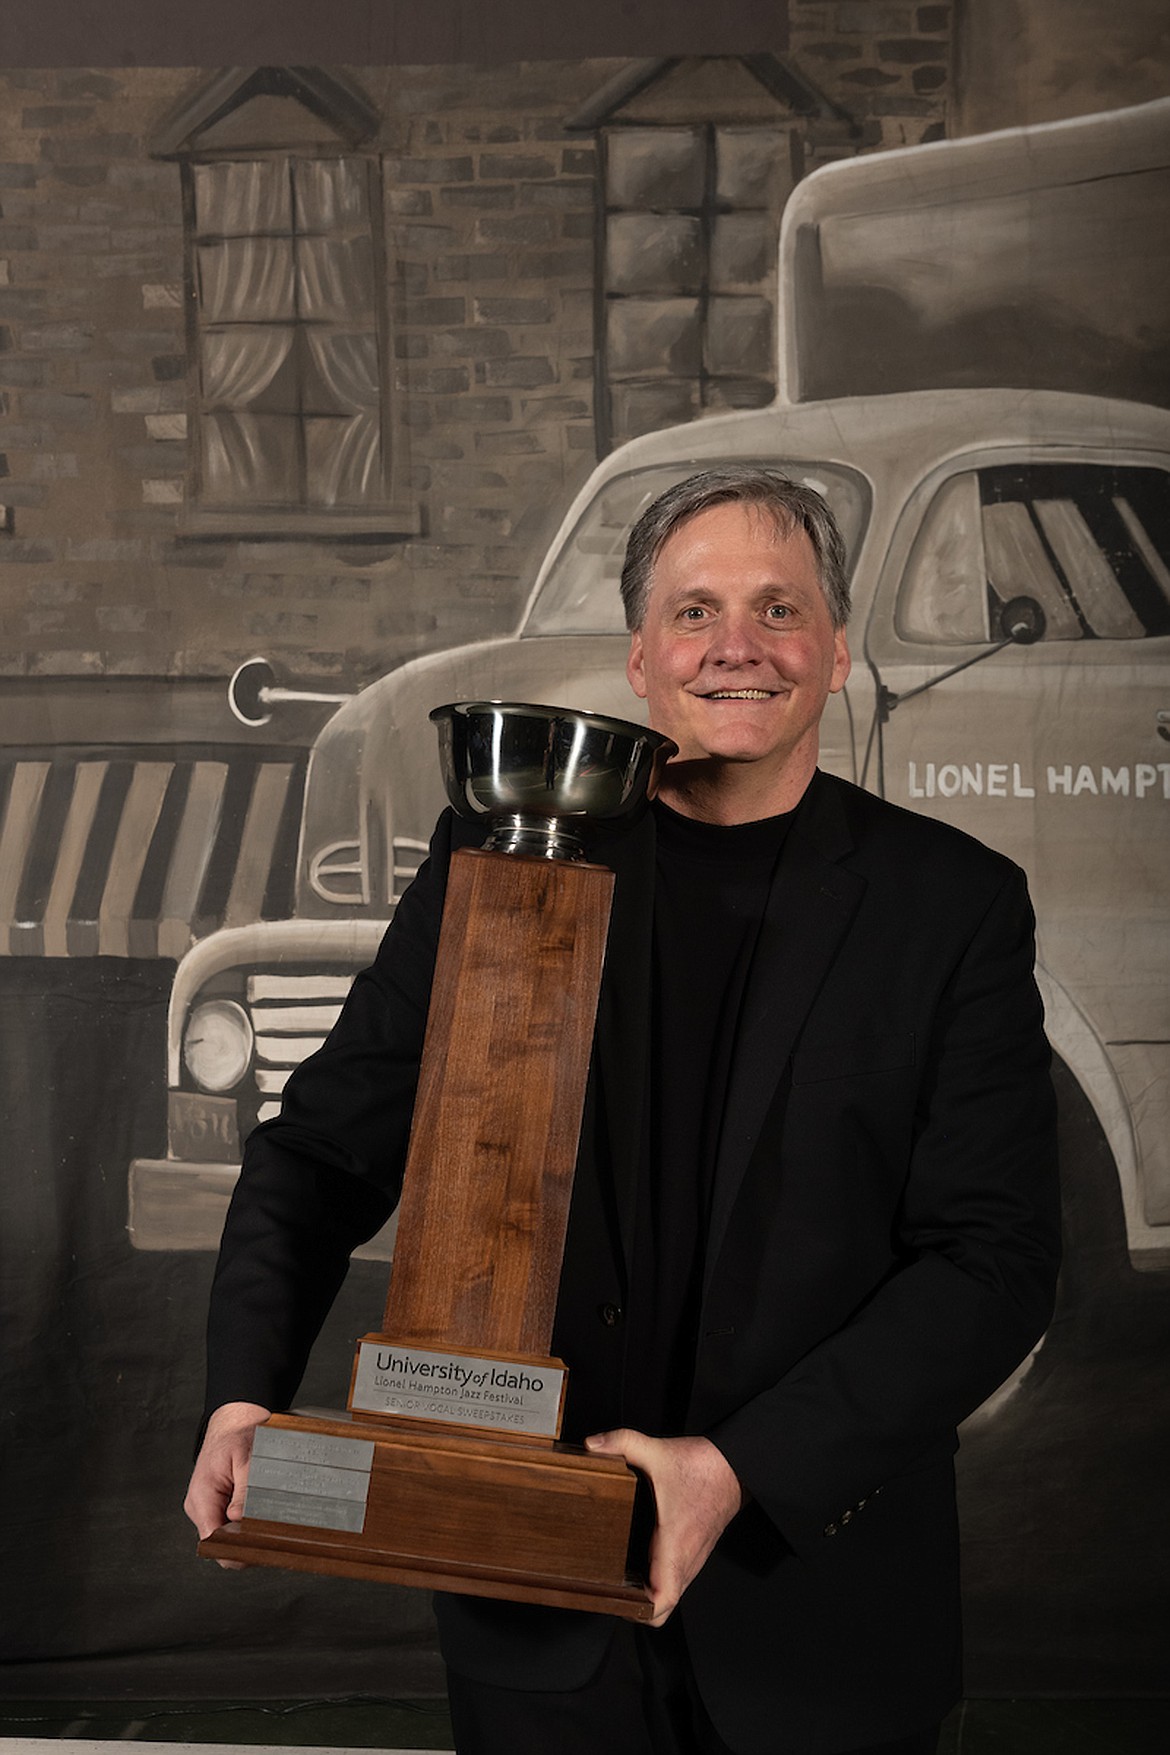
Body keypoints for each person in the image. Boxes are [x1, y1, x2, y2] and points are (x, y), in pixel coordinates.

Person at [185, 467, 1061, 1755]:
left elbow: (993, 1265)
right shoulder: (499, 857)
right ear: (642, 657)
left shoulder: (955, 905)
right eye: (695, 611)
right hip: (532, 1607)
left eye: (779, 608)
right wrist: (241, 1394)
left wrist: (735, 1469)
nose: (737, 647)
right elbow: (320, 1150)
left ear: (834, 652)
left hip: (820, 1620)